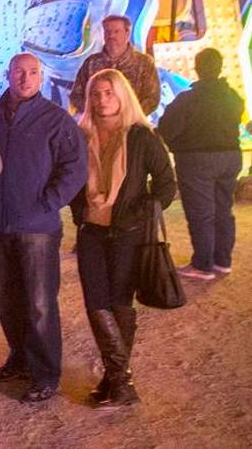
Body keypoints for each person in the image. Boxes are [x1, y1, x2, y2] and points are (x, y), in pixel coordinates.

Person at [0, 54, 88, 402]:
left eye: (32, 73)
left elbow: (75, 167)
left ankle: (45, 374)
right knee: (4, 297)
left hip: (37, 226)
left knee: (39, 303)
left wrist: (48, 202)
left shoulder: (55, 120)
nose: (25, 78)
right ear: (8, 74)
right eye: (19, 72)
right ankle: (20, 358)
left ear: (41, 77)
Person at [71, 69, 176, 407]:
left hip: (127, 233)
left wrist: (142, 210)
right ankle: (119, 380)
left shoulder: (141, 137)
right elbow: (72, 180)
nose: (102, 100)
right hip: (91, 231)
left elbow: (165, 184)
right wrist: (78, 213)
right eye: (96, 94)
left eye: (109, 93)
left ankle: (117, 380)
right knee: (95, 304)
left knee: (118, 303)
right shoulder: (81, 135)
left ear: (122, 95)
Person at [157, 47, 244, 280]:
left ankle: (203, 265)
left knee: (201, 213)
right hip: (231, 156)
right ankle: (222, 261)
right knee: (224, 210)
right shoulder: (232, 96)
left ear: (197, 67)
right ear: (220, 66)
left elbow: (167, 127)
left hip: (196, 159)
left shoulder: (189, 98)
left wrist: (175, 143)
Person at [70, 15, 160, 115]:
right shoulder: (91, 62)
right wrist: (97, 113)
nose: (111, 36)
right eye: (107, 32)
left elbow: (152, 98)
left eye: (116, 31)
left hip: (132, 125)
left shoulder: (144, 63)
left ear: (127, 33)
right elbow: (76, 96)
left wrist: (128, 117)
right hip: (98, 126)